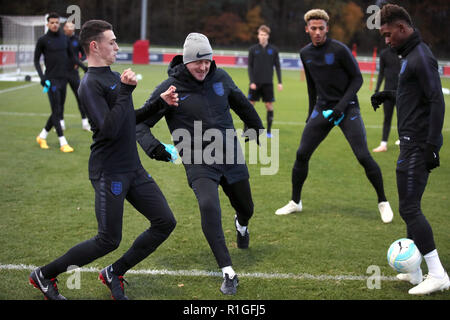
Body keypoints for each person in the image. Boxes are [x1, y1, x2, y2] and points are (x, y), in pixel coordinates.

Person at [29, 20, 178, 300]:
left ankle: (114, 272)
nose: (117, 47)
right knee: (108, 239)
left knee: (164, 221)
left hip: (133, 168)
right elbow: (108, 129)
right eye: (112, 42)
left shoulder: (114, 77)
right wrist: (125, 91)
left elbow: (128, 118)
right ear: (95, 46)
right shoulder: (89, 84)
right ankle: (44, 275)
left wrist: (161, 102)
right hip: (110, 173)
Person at [136, 33, 264, 295]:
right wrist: (158, 150)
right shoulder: (170, 88)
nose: (204, 67)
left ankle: (242, 224)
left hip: (230, 155)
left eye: (207, 61)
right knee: (208, 206)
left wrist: (255, 128)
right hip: (199, 162)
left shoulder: (221, 78)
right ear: (186, 61)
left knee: (247, 207)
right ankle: (228, 271)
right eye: (198, 62)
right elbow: (140, 123)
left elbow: (242, 104)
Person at [275, 9, 394, 224]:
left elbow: (357, 79)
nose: (318, 32)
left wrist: (341, 106)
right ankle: (295, 202)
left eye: (321, 28)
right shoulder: (305, 53)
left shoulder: (340, 50)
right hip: (322, 109)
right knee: (302, 154)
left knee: (363, 156)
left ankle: (383, 202)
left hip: (347, 109)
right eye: (314, 28)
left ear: (327, 28)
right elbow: (312, 86)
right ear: (307, 29)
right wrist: (310, 113)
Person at [371, 4, 449, 295]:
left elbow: (435, 101)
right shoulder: (408, 56)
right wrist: (387, 94)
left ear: (402, 28)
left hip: (418, 144)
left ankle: (438, 274)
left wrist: (431, 146)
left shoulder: (421, 57)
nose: (387, 41)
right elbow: (410, 95)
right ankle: (415, 271)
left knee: (409, 208)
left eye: (389, 35)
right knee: (408, 207)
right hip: (408, 144)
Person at [34, 12, 84, 152]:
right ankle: (63, 143)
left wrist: (84, 67)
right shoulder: (43, 40)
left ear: (59, 24)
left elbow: (73, 57)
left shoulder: (64, 39)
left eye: (57, 22)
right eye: (52, 22)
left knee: (58, 109)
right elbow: (36, 61)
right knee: (56, 110)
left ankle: (42, 136)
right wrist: (42, 77)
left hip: (63, 79)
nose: (55, 24)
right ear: (47, 24)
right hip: (51, 80)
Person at [247, 25, 282, 138]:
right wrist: (251, 81)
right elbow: (249, 67)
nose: (262, 37)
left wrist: (280, 82)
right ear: (258, 36)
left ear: (268, 36)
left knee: (269, 106)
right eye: (261, 34)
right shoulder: (253, 49)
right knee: (250, 106)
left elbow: (277, 66)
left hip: (268, 83)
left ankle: (268, 132)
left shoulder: (274, 50)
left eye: (265, 35)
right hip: (255, 83)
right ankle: (246, 130)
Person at [61, 21, 91, 132]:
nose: (70, 29)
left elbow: (84, 54)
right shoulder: (60, 40)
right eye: (68, 27)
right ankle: (61, 123)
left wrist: (79, 61)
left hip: (74, 73)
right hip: (61, 74)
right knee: (61, 100)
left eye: (72, 27)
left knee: (80, 97)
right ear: (64, 28)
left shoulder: (77, 40)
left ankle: (85, 123)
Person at [372, 45, 401, 152]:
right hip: (387, 93)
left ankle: (404, 140)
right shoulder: (384, 53)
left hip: (401, 93)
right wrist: (377, 90)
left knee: (403, 118)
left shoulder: (404, 52)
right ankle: (383, 144)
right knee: (387, 118)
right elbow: (381, 73)